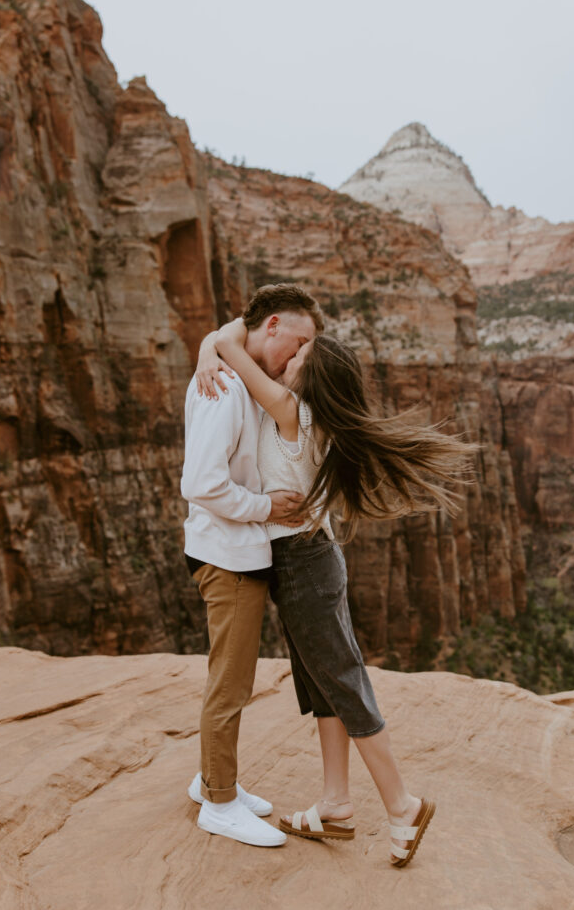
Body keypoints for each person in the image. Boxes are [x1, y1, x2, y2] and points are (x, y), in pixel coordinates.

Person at [196, 315, 477, 867]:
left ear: (312, 377)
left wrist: (212, 350)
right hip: (311, 560)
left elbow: (233, 342)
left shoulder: (293, 411)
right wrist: (211, 351)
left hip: (303, 566)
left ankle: (403, 806)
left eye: (302, 353)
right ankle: (335, 803)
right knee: (323, 684)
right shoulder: (309, 415)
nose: (291, 355)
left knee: (342, 684)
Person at [181, 284, 324, 848]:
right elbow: (201, 483)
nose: (302, 354)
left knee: (231, 677)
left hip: (235, 551)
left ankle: (214, 781)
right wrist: (265, 507)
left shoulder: (236, 374)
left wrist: (214, 342)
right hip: (227, 556)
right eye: (300, 339)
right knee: (231, 683)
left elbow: (229, 331)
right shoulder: (223, 389)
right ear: (271, 328)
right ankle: (218, 803)